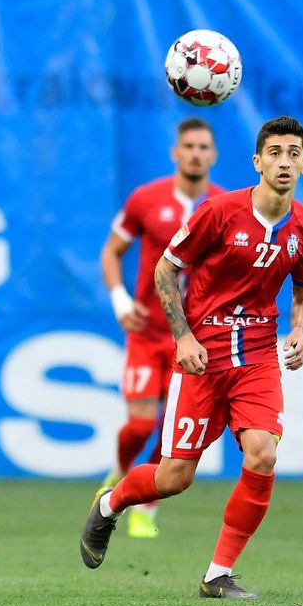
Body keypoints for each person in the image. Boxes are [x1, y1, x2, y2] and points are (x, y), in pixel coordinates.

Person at [81, 116, 303, 600]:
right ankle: (110, 504)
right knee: (175, 478)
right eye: (274, 152)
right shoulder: (219, 211)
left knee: (264, 453)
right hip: (203, 357)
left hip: (256, 357)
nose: (284, 161)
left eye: (293, 153)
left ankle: (218, 575)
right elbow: (164, 270)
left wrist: (299, 330)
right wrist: (184, 337)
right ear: (257, 162)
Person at [100, 118, 223, 538]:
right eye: (188, 145)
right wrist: (120, 299)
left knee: (172, 432)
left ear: (214, 156)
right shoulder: (146, 199)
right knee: (139, 424)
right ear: (175, 152)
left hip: (195, 340)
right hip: (148, 331)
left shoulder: (224, 206)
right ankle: (118, 475)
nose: (195, 153)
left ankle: (145, 506)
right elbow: (112, 252)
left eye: (203, 147)